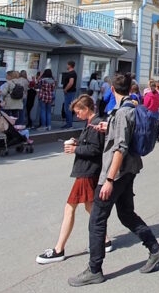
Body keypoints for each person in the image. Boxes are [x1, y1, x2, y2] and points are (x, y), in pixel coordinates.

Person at [69, 74, 159, 287]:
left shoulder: (123, 112)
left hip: (118, 172)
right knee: (126, 214)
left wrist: (109, 180)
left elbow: (120, 147)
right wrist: (108, 128)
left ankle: (95, 269)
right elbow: (124, 134)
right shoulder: (128, 108)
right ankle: (155, 249)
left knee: (97, 219)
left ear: (113, 89)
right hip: (130, 169)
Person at [36, 95, 111, 264]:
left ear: (86, 109)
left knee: (70, 208)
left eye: (79, 112)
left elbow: (95, 150)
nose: (77, 115)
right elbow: (93, 147)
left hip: (86, 171)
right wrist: (79, 143)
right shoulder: (93, 123)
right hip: (88, 170)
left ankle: (59, 249)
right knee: (90, 206)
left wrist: (75, 148)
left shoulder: (95, 125)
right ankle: (104, 240)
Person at [61, 61, 78, 128]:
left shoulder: (72, 73)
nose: (66, 66)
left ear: (70, 65)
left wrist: (65, 89)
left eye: (67, 65)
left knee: (67, 108)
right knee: (67, 108)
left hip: (69, 92)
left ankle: (69, 124)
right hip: (70, 92)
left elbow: (71, 83)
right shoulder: (72, 73)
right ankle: (68, 123)